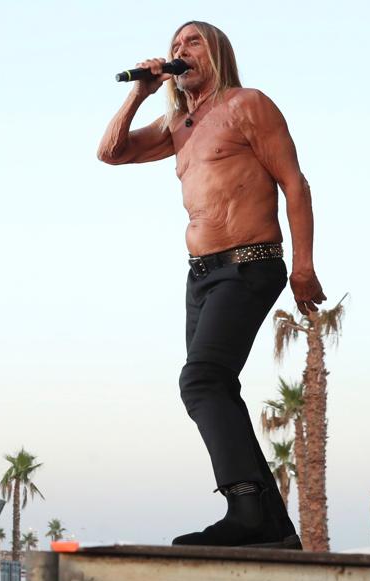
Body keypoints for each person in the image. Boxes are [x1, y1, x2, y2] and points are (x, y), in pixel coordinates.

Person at [97, 21, 323, 548]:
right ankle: (274, 530)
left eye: (192, 41)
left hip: (249, 261)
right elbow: (110, 152)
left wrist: (304, 265)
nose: (180, 51)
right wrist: (140, 92)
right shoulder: (178, 122)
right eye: (175, 45)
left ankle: (245, 508)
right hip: (200, 277)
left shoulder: (248, 104)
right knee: (215, 386)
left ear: (217, 52)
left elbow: (295, 183)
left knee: (199, 381)